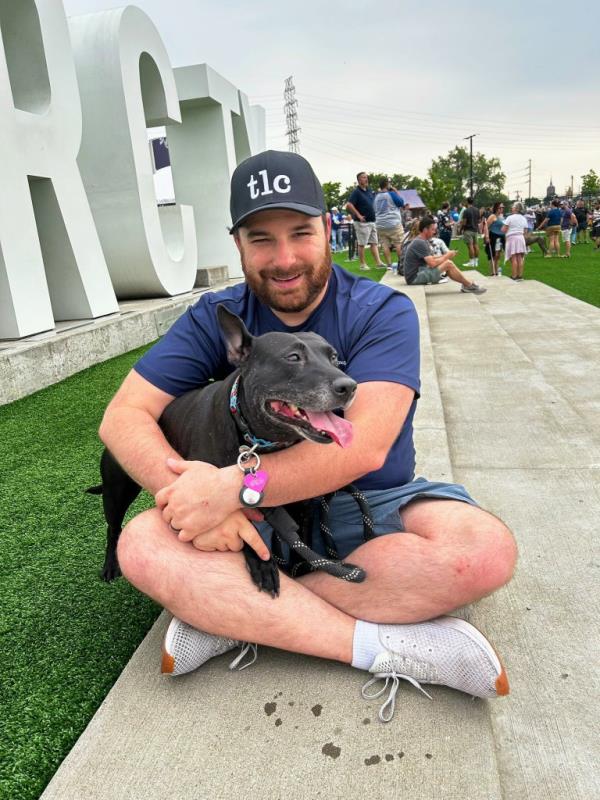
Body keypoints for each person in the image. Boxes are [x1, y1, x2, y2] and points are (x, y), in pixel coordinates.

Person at [100, 151, 515, 721]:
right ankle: (382, 646)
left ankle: (235, 616)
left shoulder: (379, 310)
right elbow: (122, 417)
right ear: (238, 245)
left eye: (300, 232)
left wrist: (234, 489)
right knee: (140, 547)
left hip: (362, 500)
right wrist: (196, 495)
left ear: (327, 228)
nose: (285, 257)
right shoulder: (214, 317)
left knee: (484, 553)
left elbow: (363, 447)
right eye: (261, 239)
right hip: (248, 519)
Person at [404, 216, 487, 294]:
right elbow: (432, 263)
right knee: (448, 264)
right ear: (425, 229)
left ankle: (467, 283)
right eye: (432, 229)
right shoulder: (420, 242)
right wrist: (447, 256)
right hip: (414, 278)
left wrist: (447, 254)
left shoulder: (421, 240)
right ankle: (468, 285)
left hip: (418, 273)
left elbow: (431, 258)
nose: (434, 232)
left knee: (447, 263)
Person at [346, 172, 385, 270]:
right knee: (362, 243)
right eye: (363, 177)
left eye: (366, 177)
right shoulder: (356, 192)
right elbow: (349, 205)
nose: (366, 179)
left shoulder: (369, 190)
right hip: (362, 222)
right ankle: (362, 264)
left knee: (374, 243)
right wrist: (358, 215)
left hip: (372, 221)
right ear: (359, 180)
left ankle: (378, 263)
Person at [374, 177, 405, 270]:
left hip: (380, 224)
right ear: (387, 184)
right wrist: (396, 192)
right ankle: (402, 264)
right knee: (398, 243)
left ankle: (389, 265)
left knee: (385, 244)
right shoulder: (391, 194)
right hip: (393, 223)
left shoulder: (376, 197)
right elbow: (401, 202)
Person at [502, 202, 528, 281]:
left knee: (513, 258)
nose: (511, 208)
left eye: (513, 207)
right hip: (521, 238)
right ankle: (520, 276)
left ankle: (514, 276)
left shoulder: (510, 217)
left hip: (512, 238)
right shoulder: (523, 218)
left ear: (516, 208)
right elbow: (525, 231)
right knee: (520, 257)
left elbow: (504, 229)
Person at [483, 202, 505, 276]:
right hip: (493, 237)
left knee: (498, 255)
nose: (502, 209)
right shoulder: (492, 216)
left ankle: (497, 269)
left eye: (502, 208)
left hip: (500, 237)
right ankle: (493, 272)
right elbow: (486, 226)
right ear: (496, 208)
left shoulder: (502, 217)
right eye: (500, 208)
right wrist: (486, 236)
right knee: (493, 255)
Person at [459, 197, 480, 267]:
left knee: (470, 246)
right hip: (475, 230)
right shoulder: (477, 210)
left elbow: (464, 222)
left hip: (468, 230)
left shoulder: (466, 211)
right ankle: (476, 262)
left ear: (467, 202)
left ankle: (471, 262)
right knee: (476, 245)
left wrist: (461, 229)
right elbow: (478, 220)